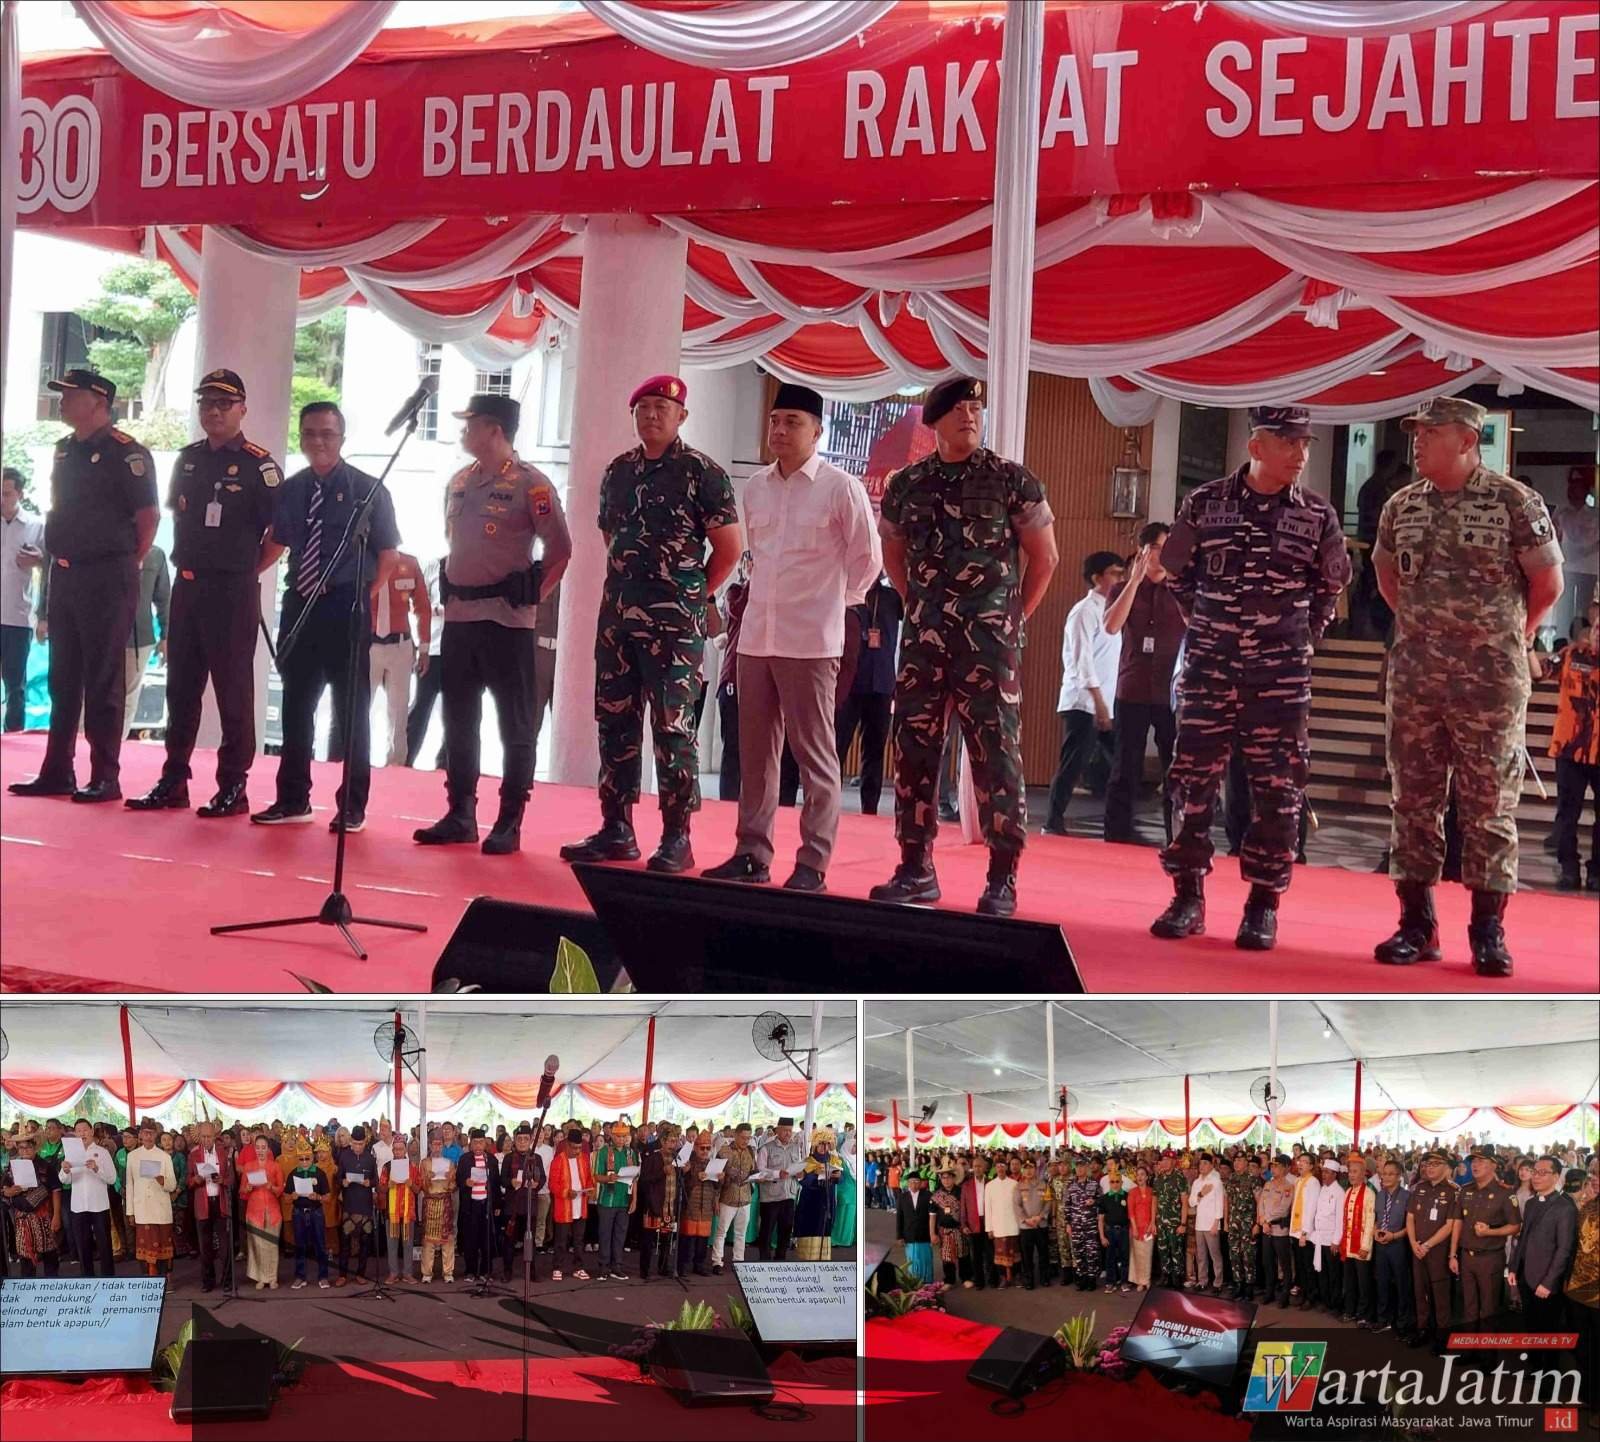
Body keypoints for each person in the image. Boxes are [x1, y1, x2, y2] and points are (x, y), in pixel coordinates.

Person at [1373, 397, 1565, 977]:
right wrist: (1424, 629)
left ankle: (1487, 931)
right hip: (1416, 678)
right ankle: (1416, 924)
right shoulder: (1402, 505)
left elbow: (1548, 583)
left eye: (1429, 433)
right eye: (1415, 433)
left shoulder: (1514, 502)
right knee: (1413, 801)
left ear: (1465, 439)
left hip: (1489, 683)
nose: (1417, 442)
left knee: (1488, 806)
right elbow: (1386, 574)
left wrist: (1511, 636)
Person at [1152, 405, 1349, 950]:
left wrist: (1296, 640)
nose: (1301, 454)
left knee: (1278, 791)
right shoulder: (1205, 503)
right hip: (1209, 671)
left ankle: (1263, 905)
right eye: (1289, 443)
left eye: (1305, 443)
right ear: (1257, 446)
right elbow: (1178, 576)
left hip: (1279, 678)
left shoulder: (1317, 514)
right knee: (1192, 783)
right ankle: (1187, 896)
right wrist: (1211, 627)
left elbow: (1327, 591)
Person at [872, 376, 1060, 916]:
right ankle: (915, 867)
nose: (970, 417)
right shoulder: (908, 484)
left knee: (995, 754)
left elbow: (1045, 557)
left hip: (988, 645)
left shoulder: (1010, 479)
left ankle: (1002, 876)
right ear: (934, 421)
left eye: (976, 408)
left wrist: (1011, 618)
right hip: (924, 642)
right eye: (958, 410)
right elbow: (893, 554)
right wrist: (918, 606)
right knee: (914, 751)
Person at [561, 375, 742, 871]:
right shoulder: (618, 471)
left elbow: (729, 550)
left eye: (662, 407)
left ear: (682, 416)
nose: (652, 415)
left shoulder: (703, 472)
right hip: (618, 620)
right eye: (643, 408)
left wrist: (690, 596)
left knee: (673, 729)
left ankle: (676, 836)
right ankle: (616, 828)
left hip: (675, 627)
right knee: (615, 724)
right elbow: (611, 538)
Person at [704, 385, 880, 890]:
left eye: (793, 422)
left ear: (817, 431)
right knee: (755, 755)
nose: (780, 430)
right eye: (775, 420)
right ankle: (752, 854)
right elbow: (755, 559)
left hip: (811, 641)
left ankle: (812, 863)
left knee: (814, 756)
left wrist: (831, 604)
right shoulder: (756, 487)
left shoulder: (840, 487)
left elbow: (868, 561)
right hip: (757, 638)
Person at [415, 394, 572, 855]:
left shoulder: (531, 484)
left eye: (471, 424)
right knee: (458, 719)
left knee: (515, 724)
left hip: (507, 622)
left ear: (494, 430)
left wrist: (533, 593)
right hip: (460, 619)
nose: (464, 431)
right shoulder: (459, 482)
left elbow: (560, 549)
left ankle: (509, 819)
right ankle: (460, 813)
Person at [127, 370, 283, 816]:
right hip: (188, 587)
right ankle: (174, 779)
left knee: (233, 692)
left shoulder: (260, 466)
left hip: (232, 591)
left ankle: (233, 785)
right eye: (206, 403)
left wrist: (244, 570)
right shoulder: (188, 460)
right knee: (181, 689)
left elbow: (281, 533)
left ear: (242, 410)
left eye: (224, 404)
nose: (213, 411)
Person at [242, 402, 401, 829]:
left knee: (351, 711)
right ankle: (293, 800)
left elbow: (388, 556)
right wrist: (243, 574)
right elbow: (277, 542)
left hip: (345, 605)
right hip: (300, 603)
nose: (318, 441)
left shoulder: (368, 490)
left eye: (327, 434)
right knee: (296, 705)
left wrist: (364, 594)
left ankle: (352, 806)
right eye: (310, 433)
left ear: (342, 438)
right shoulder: (292, 489)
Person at [10, 371, 158, 802]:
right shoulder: (64, 450)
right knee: (63, 677)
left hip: (107, 575)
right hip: (66, 572)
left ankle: (105, 775)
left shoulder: (127, 453)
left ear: (99, 401)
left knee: (103, 678)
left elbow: (148, 519)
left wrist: (121, 563)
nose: (62, 400)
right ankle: (57, 770)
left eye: (71, 394)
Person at [1103, 523, 1186, 844]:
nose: (1165, 556)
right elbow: (1111, 626)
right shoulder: (1122, 589)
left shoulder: (1180, 590)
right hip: (1133, 687)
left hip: (1170, 694)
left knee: (1175, 768)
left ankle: (1176, 837)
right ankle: (1117, 834)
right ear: (1144, 551)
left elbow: (1196, 626)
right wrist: (1135, 581)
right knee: (1125, 766)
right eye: (1160, 549)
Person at [1044, 551, 1125, 834]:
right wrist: (1098, 702)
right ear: (1096, 578)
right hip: (1083, 701)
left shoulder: (1113, 610)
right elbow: (1082, 661)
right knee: (1073, 763)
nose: (1120, 579)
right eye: (1114, 573)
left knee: (1121, 764)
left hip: (1106, 701)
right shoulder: (1084, 611)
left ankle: (1117, 823)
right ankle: (1053, 821)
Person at [1547, 599, 1600, 890]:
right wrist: (1526, 646)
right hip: (1570, 748)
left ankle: (1597, 872)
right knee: (1568, 813)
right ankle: (1568, 867)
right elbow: (1539, 671)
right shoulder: (1571, 655)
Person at [368, 549, 430, 769]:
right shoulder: (363, 560)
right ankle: (354, 759)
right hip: (368, 644)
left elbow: (422, 607)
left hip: (400, 646)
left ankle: (396, 765)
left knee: (399, 710)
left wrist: (424, 648)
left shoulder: (409, 564)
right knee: (357, 708)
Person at [1507, 1155, 1578, 1334]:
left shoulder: (1565, 1207)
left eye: (1542, 1173)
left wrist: (1548, 1282)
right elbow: (1523, 1238)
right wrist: (1514, 1268)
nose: (1536, 1177)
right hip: (1525, 1276)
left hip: (1546, 1280)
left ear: (1556, 1177)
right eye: (1535, 1172)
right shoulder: (1531, 1203)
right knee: (1530, 1324)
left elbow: (1564, 1249)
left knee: (1547, 1328)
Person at [1452, 1145, 1520, 1334]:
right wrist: (1452, 1254)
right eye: (1473, 1161)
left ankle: (1486, 1348)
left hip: (1490, 1258)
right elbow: (1458, 1222)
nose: (1475, 1165)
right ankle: (1470, 1343)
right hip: (1467, 1256)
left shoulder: (1505, 1193)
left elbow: (1515, 1226)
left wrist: (1490, 1232)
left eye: (1481, 1161)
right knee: (1469, 1305)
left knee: (1488, 1308)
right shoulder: (1465, 1190)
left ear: (1494, 1165)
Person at [1, 466, 46, 733]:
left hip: (18, 617)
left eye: (6, 493)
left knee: (15, 686)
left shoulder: (36, 526)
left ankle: (13, 737)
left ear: (20, 494)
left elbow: (52, 565)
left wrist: (39, 559)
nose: (1, 499)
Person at [1406, 1150, 1458, 1351]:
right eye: (1427, 1164)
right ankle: (1423, 1330)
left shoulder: (1453, 1191)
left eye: (1435, 1164)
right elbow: (1410, 1217)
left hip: (1437, 1251)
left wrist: (1427, 1245)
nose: (1429, 1168)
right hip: (1417, 1249)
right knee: (1420, 1292)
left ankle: (1442, 1335)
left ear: (1446, 1167)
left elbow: (1450, 1225)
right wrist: (1413, 1243)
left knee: (1440, 1294)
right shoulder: (1419, 1188)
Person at [58, 1118, 116, 1277]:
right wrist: (65, 1170)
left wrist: (96, 1169)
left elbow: (112, 1179)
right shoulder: (70, 1153)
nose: (82, 1133)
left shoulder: (102, 1152)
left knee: (104, 1244)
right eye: (78, 1131)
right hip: (78, 1206)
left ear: (91, 1131)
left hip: (99, 1205)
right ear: (75, 1134)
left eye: (85, 1130)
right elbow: (64, 1180)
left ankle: (108, 1278)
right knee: (83, 1245)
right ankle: (87, 1278)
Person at [123, 544, 171, 737]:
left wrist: (166, 636)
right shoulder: (105, 547)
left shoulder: (156, 555)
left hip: (138, 638)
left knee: (127, 698)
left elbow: (164, 598)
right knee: (95, 695)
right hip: (104, 635)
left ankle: (116, 744)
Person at [404, 556, 446, 767]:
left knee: (459, 712)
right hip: (433, 648)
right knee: (421, 705)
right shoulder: (433, 566)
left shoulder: (476, 567)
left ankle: (445, 763)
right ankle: (405, 758)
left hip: (461, 650)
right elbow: (419, 605)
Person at [2, 1131, 62, 1276]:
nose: (25, 1151)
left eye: (28, 1147)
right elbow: (4, 1187)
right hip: (22, 1219)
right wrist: (9, 1191)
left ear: (35, 1148)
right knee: (26, 1256)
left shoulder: (46, 1166)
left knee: (49, 1254)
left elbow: (56, 1191)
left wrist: (57, 1216)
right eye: (21, 1148)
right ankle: (28, 1285)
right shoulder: (12, 1166)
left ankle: (51, 1284)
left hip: (43, 1216)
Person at [123, 1120, 176, 1277]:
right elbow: (130, 1185)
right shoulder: (132, 1156)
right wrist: (130, 1212)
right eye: (145, 1133)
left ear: (156, 1135)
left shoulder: (164, 1156)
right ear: (140, 1135)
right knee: (144, 1248)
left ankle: (164, 1279)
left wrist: (162, 1180)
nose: (148, 1136)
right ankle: (148, 1281)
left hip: (160, 1209)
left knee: (163, 1247)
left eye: (151, 1133)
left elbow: (172, 1184)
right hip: (142, 1209)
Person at [187, 1121, 234, 1293]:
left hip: (220, 1203)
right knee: (205, 1246)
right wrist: (196, 1180)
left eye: (209, 1137)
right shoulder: (193, 1155)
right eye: (203, 1137)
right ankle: (208, 1281)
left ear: (215, 1136)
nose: (206, 1140)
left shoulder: (222, 1153)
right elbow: (188, 1181)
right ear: (199, 1137)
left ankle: (227, 1280)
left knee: (224, 1246)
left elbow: (232, 1179)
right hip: (203, 1204)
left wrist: (223, 1180)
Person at [548, 1126, 595, 1282]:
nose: (577, 1151)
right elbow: (552, 1184)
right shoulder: (558, 1160)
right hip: (564, 1207)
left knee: (579, 1240)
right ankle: (557, 1267)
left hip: (580, 1206)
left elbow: (589, 1179)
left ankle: (578, 1267)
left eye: (579, 1148)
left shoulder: (584, 1159)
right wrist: (566, 1192)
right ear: (567, 1145)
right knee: (561, 1240)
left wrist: (590, 1189)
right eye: (574, 1148)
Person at [593, 1120, 638, 1283]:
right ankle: (603, 1267)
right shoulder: (604, 1152)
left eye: (624, 1136)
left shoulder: (630, 1153)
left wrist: (634, 1200)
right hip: (607, 1200)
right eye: (618, 1136)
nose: (621, 1139)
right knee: (605, 1235)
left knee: (620, 1235)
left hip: (624, 1200)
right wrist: (608, 1178)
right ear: (612, 1136)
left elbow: (634, 1178)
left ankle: (616, 1266)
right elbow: (596, 1176)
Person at [334, 1125, 379, 1286]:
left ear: (365, 1142)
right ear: (351, 1142)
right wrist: (343, 1182)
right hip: (349, 1204)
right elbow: (337, 1178)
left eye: (361, 1144)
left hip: (365, 1205)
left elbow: (376, 1180)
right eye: (355, 1144)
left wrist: (369, 1183)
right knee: (345, 1241)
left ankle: (361, 1273)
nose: (358, 1147)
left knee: (365, 1241)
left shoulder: (370, 1158)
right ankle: (342, 1275)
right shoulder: (344, 1157)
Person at [710, 1122, 757, 1275]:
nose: (746, 1141)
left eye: (748, 1138)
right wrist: (716, 1199)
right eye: (743, 1137)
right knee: (721, 1231)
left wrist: (758, 1176)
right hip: (727, 1197)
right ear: (735, 1135)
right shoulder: (724, 1151)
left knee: (741, 1232)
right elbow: (716, 1176)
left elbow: (754, 1170)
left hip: (745, 1197)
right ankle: (717, 1261)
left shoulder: (751, 1151)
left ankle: (738, 1260)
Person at [755, 1117, 805, 1262]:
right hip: (771, 1196)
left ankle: (780, 1259)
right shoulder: (766, 1147)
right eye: (785, 1130)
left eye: (790, 1130)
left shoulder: (795, 1147)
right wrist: (777, 1173)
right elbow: (760, 1170)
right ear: (777, 1130)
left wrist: (800, 1174)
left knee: (786, 1229)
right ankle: (764, 1260)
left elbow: (798, 1166)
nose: (788, 1133)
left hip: (789, 1195)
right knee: (767, 1229)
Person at [237, 1136, 283, 1290]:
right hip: (254, 1211)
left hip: (272, 1210)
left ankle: (272, 1277)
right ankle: (261, 1278)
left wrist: (272, 1187)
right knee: (257, 1245)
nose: (261, 1150)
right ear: (254, 1149)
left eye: (263, 1147)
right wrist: (247, 1188)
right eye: (258, 1147)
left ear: (268, 1149)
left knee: (271, 1245)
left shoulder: (275, 1166)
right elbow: (241, 1190)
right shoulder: (248, 1166)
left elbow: (281, 1189)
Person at [1553, 467, 1598, 625]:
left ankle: (1582, 637)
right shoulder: (1561, 512)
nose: (1572, 492)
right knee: (1563, 609)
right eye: (1570, 488)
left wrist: (1585, 551)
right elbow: (1554, 536)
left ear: (1585, 491)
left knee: (1584, 608)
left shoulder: (1595, 514)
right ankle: (1562, 637)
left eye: (1577, 488)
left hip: (1589, 569)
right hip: (1566, 568)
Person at [1337, 1153, 1376, 1324]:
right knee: (1350, 1281)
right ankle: (1350, 1310)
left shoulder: (1369, 1194)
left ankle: (1364, 1314)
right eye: (1350, 1172)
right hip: (1348, 1245)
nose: (1351, 1175)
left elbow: (1370, 1222)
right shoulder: (1348, 1192)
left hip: (1361, 1247)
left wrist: (1365, 1246)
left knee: (1363, 1283)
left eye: (1355, 1172)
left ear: (1363, 1173)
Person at [795, 1129, 843, 1260]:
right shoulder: (808, 1161)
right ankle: (808, 1258)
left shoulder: (834, 1160)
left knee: (825, 1225)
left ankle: (823, 1259)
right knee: (810, 1225)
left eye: (827, 1144)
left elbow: (840, 1180)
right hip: (811, 1200)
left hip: (827, 1198)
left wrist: (838, 1176)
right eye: (821, 1143)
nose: (824, 1147)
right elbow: (803, 1182)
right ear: (815, 1145)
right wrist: (815, 1175)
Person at [287, 1146, 331, 1289]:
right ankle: (300, 1277)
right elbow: (286, 1197)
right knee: (299, 1245)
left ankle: (323, 1276)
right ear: (297, 1159)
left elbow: (328, 1197)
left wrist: (318, 1197)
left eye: (307, 1158)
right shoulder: (293, 1174)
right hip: (298, 1212)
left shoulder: (320, 1173)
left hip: (316, 1212)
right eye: (301, 1159)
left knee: (320, 1244)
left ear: (313, 1158)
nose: (305, 1162)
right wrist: (292, 1196)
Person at [416, 1134, 456, 1284]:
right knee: (428, 1239)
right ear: (430, 1146)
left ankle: (448, 1272)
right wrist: (427, 1178)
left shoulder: (449, 1163)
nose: (437, 1147)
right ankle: (427, 1272)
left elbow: (453, 1186)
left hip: (445, 1202)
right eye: (434, 1144)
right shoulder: (424, 1163)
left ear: (442, 1146)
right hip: (430, 1202)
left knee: (448, 1239)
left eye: (440, 1144)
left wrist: (449, 1178)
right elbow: (421, 1185)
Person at [1257, 1155, 1295, 1307]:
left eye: (1277, 1166)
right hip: (1266, 1229)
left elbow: (1283, 1209)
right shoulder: (1268, 1184)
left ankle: (1285, 1294)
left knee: (1284, 1264)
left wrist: (1267, 1220)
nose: (1273, 1169)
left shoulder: (1288, 1187)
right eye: (1272, 1166)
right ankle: (1269, 1292)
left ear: (1285, 1168)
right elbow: (1261, 1204)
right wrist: (1263, 1220)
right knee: (1267, 1262)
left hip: (1279, 1230)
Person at [1224, 1150, 1259, 1300]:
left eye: (1240, 1161)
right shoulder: (1231, 1178)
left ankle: (1249, 1287)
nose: (1237, 1163)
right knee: (1234, 1255)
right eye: (1235, 1161)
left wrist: (1257, 1223)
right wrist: (1226, 1221)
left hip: (1247, 1225)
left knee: (1248, 1255)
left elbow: (1259, 1202)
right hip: (1233, 1224)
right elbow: (1227, 1201)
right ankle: (1238, 1284)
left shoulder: (1253, 1179)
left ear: (1246, 1163)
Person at [960, 1154, 995, 1290]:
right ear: (972, 1168)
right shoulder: (966, 1185)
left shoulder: (991, 1183)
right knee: (976, 1255)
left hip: (988, 1222)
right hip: (973, 1223)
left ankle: (992, 1279)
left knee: (990, 1253)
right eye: (975, 1166)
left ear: (985, 1168)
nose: (977, 1169)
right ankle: (979, 1281)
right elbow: (963, 1207)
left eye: (980, 1166)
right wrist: (964, 1224)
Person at [1097, 1161, 1132, 1294]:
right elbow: (1101, 1219)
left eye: (1117, 1181)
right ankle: (1110, 1282)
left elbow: (1131, 1216)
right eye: (1112, 1182)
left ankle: (1124, 1281)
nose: (1115, 1184)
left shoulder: (1127, 1196)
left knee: (1124, 1257)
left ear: (1122, 1183)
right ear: (1109, 1183)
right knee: (1110, 1258)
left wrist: (1130, 1232)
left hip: (1124, 1231)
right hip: (1110, 1231)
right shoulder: (1104, 1198)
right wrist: (1102, 1236)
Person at [897, 1170, 935, 1284]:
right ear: (908, 1183)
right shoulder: (902, 1197)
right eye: (912, 1182)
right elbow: (899, 1217)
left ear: (921, 1183)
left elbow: (933, 1216)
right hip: (909, 1235)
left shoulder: (928, 1195)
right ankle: (913, 1282)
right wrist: (899, 1236)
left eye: (917, 1182)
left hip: (924, 1234)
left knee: (925, 1259)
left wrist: (934, 1233)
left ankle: (927, 1281)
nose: (914, 1184)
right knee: (912, 1260)